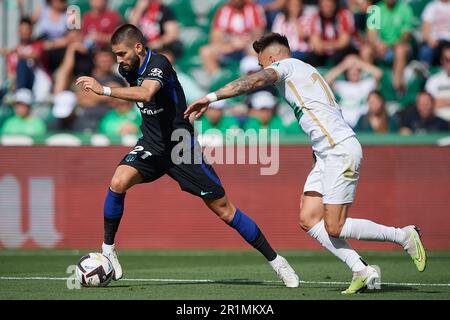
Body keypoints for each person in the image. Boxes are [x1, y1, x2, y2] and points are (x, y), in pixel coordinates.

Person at [185, 33, 427, 294]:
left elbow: (254, 81)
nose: (260, 68)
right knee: (309, 219)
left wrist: (210, 98)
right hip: (326, 152)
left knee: (335, 225)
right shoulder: (308, 71)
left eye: (261, 62)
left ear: (272, 58)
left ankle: (403, 235)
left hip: (338, 150)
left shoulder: (285, 66)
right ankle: (361, 269)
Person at [75, 24, 299, 287]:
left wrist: (105, 91)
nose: (119, 60)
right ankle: (108, 250)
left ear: (138, 47)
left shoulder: (159, 63)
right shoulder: (126, 68)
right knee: (118, 182)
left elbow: (147, 93)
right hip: (152, 144)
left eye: (122, 53)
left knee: (225, 210)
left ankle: (277, 262)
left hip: (181, 148)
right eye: (115, 55)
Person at [325, 54, 383, 128]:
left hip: (363, 123)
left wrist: (359, 63)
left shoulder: (367, 84)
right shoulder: (341, 85)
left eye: (356, 69)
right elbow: (326, 80)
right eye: (350, 69)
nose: (353, 72)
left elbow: (378, 73)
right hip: (344, 123)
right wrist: (344, 65)